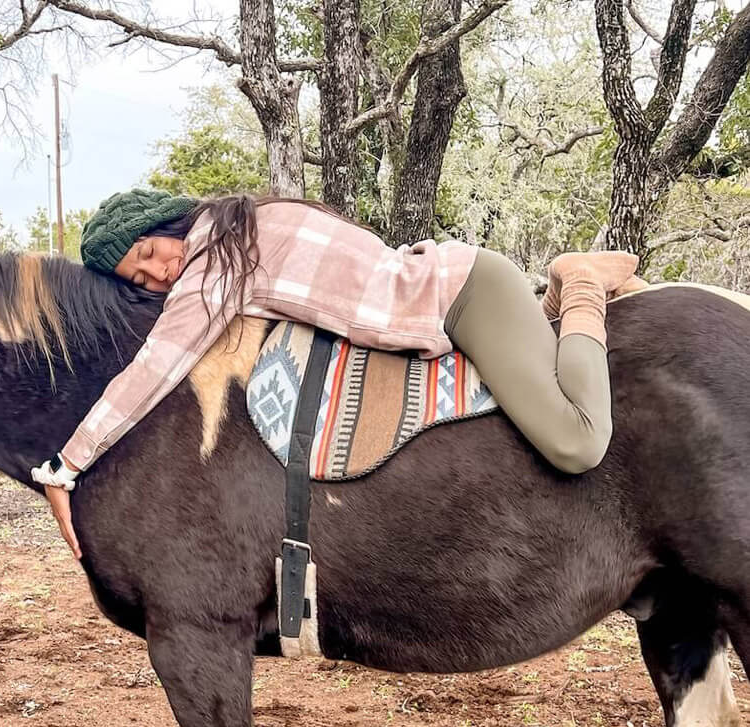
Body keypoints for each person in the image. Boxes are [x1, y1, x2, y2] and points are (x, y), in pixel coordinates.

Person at [32, 190, 645, 558]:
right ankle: (550, 308)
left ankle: (580, 282)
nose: (157, 274)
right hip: (447, 295)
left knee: (578, 441)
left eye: (147, 255)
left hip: (459, 296)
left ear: (162, 225)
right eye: (140, 280)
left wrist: (69, 462)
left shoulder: (215, 258)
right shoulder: (241, 226)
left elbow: (157, 365)